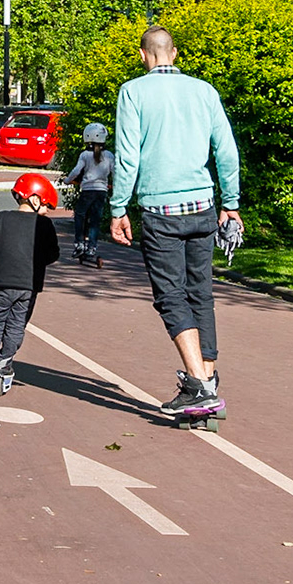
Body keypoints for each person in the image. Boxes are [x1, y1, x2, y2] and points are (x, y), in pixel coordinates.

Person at [109, 26, 241, 422]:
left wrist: (118, 207)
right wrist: (231, 203)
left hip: (160, 210)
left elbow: (128, 156)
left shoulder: (133, 92)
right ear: (175, 52)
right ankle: (208, 382)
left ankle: (198, 385)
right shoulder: (204, 91)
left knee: (170, 296)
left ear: (143, 55)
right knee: (201, 293)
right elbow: (226, 149)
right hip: (203, 206)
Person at [0, 172, 63, 395]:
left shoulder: (2, 218)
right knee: (16, 324)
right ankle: (3, 363)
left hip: (4, 282)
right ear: (35, 199)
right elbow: (53, 254)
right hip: (29, 285)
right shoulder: (44, 225)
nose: (46, 211)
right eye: (45, 206)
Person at [60, 122, 114, 267]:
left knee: (80, 215)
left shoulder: (85, 155)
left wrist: (67, 180)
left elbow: (76, 171)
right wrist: (114, 185)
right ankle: (92, 248)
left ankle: (79, 244)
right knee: (95, 220)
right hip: (101, 192)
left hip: (87, 191)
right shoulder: (109, 155)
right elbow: (115, 172)